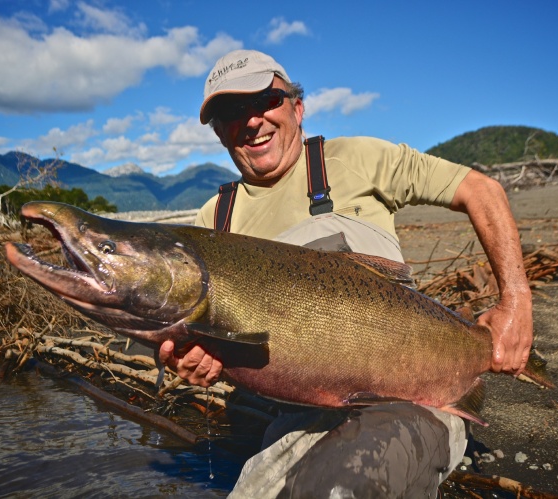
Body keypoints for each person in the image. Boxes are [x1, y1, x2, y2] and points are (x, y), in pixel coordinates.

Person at [159, 49, 533, 497]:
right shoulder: (212, 221)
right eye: (230, 111)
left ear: (297, 107)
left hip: (413, 400)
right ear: (219, 132)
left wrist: (516, 305)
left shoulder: (355, 159)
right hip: (291, 419)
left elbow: (481, 189)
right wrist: (197, 361)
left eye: (265, 100)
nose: (252, 119)